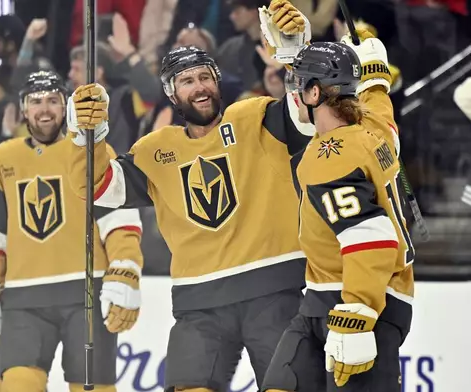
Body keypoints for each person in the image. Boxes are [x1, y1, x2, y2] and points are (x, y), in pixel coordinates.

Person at [62, 2, 314, 390]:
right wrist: (87, 137)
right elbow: (102, 190)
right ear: (171, 93)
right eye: (186, 81)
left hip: (274, 291)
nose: (199, 87)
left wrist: (296, 55)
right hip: (200, 303)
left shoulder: (255, 117)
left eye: (204, 77)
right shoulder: (154, 149)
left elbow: (306, 117)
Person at [0, 70, 143, 392]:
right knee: (18, 386)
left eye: (52, 101)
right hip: (23, 298)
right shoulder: (2, 159)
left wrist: (125, 266)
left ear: (66, 108)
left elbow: (118, 220)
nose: (44, 109)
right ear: (23, 109)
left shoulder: (90, 150)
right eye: (35, 101)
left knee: (93, 389)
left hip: (87, 293)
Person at [260, 24, 415, 392]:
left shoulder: (330, 156)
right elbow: (379, 105)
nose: (293, 95)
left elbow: (371, 236)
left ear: (315, 93)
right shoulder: (374, 130)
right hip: (320, 299)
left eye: (299, 86)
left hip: (359, 302)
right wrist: (374, 70)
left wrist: (358, 312)